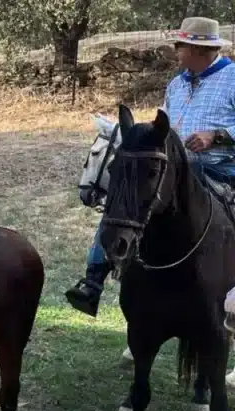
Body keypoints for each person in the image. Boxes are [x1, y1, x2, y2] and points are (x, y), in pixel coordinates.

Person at [66, 16, 235, 317]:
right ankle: (94, 278)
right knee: (124, 202)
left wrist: (217, 136)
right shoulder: (176, 84)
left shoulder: (233, 78)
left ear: (198, 50)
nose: (176, 52)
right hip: (174, 168)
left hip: (219, 169)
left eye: (179, 46)